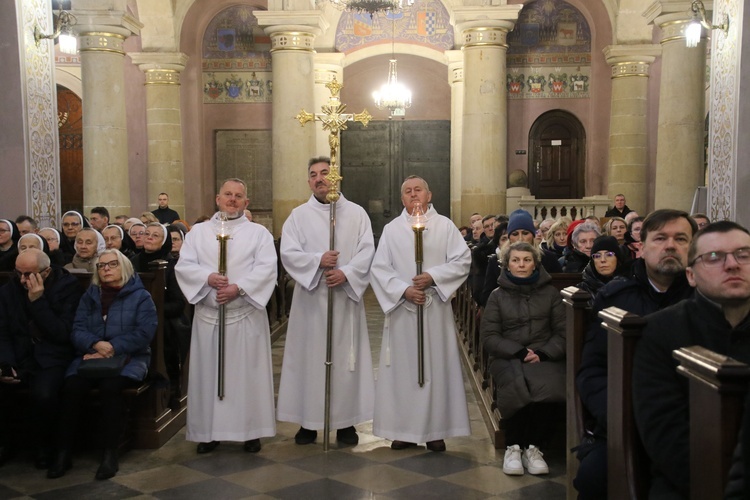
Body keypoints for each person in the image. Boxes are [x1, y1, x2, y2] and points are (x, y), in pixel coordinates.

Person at [574, 209, 697, 500]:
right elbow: (591, 372)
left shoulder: (705, 300)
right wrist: (624, 415)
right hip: (626, 422)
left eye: (681, 239)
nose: (670, 246)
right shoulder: (615, 298)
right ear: (641, 248)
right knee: (594, 477)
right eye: (660, 238)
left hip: (691, 428)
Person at [633, 221, 750, 499]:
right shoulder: (660, 331)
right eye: (713, 258)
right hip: (689, 484)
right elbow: (667, 438)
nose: (732, 265)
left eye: (744, 255)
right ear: (691, 276)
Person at [277, 157, 375, 446]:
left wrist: (346, 273)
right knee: (308, 361)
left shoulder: (357, 214)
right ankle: (309, 422)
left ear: (337, 178)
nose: (319, 179)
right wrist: (317, 262)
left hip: (344, 300)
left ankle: (345, 423)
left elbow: (367, 251)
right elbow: (288, 253)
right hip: (310, 300)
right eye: (313, 175)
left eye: (325, 173)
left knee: (346, 361)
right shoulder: (297, 216)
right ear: (308, 181)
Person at [175, 178, 277, 454]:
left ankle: (250, 431)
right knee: (208, 375)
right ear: (217, 198)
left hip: (244, 314)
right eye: (227, 194)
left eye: (238, 196)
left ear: (246, 202)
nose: (232, 199)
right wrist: (207, 279)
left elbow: (267, 269)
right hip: (209, 314)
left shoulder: (259, 234)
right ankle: (208, 433)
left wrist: (238, 288)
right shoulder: (197, 232)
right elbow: (185, 266)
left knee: (247, 375)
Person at [370, 175, 471, 452]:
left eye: (418, 190)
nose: (413, 195)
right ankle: (404, 431)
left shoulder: (445, 227)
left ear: (429, 195)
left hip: (435, 310)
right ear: (402, 199)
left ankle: (435, 430)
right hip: (404, 311)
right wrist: (404, 290)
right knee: (404, 370)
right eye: (407, 191)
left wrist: (433, 277)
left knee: (435, 368)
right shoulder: (391, 230)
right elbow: (379, 268)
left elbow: (462, 261)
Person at [47, 249, 157, 480]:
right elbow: (77, 329)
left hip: (129, 358)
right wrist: (95, 344)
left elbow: (144, 333)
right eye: (101, 265)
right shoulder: (90, 295)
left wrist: (113, 347)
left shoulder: (141, 296)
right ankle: (63, 452)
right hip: (90, 357)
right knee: (71, 389)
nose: (106, 269)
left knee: (111, 389)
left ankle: (110, 453)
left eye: (112, 264)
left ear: (124, 267)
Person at [480, 241, 566, 476]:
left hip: (543, 354)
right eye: (516, 260)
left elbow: (563, 331)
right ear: (507, 264)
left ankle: (535, 447)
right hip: (507, 355)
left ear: (535, 264)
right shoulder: (497, 296)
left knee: (551, 384)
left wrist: (543, 353)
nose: (521, 264)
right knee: (517, 385)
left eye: (526, 260)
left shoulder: (550, 293)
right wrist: (517, 351)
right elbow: (489, 335)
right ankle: (514, 446)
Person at [0, 249, 84, 468]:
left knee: (44, 394)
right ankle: (6, 444)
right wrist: (6, 364)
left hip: (52, 357)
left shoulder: (68, 287)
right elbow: (3, 333)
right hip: (19, 355)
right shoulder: (9, 290)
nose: (22, 279)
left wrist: (38, 301)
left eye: (28, 274)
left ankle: (44, 448)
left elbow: (61, 333)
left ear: (45, 273)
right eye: (18, 272)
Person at [131, 222, 189, 406]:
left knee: (165, 332)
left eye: (155, 235)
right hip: (134, 315)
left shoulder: (171, 266)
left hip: (163, 316)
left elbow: (178, 303)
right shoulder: (132, 262)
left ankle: (171, 388)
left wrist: (153, 311)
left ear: (163, 241)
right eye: (147, 233)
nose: (149, 237)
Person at [576, 236, 624, 302]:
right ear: (593, 261)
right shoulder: (581, 290)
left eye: (609, 255)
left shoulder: (629, 287)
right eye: (597, 256)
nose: (603, 260)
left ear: (618, 259)